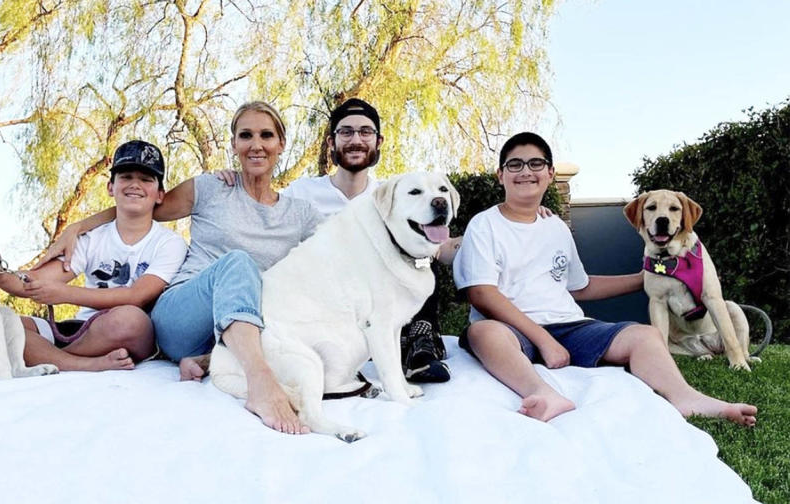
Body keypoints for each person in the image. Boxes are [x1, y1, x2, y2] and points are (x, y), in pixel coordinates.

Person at [38, 102, 322, 435]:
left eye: (266, 135)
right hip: (183, 316)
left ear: (281, 144)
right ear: (234, 145)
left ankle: (206, 361)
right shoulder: (211, 188)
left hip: (244, 325)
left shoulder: (301, 215)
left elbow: (331, 261)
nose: (256, 144)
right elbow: (140, 204)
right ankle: (260, 382)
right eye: (245, 135)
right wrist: (78, 227)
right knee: (238, 262)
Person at [453, 131, 757, 426]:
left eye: (536, 164)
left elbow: (580, 287)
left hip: (570, 326)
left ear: (549, 173)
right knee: (483, 332)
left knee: (645, 335)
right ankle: (542, 393)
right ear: (500, 175)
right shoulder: (484, 225)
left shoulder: (555, 226)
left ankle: (687, 398)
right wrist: (544, 341)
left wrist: (644, 278)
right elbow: (482, 294)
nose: (525, 172)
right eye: (514, 164)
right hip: (512, 331)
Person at [217, 98, 458, 382]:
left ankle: (419, 341)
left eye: (365, 132)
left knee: (415, 262)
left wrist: (477, 239)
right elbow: (266, 229)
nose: (356, 139)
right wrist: (235, 181)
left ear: (378, 141)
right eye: (346, 132)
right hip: (329, 300)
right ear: (331, 142)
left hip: (382, 294)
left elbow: (439, 244)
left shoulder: (395, 194)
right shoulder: (303, 192)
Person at [0, 140, 187, 372]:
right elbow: (35, 282)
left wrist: (64, 294)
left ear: (160, 195)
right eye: (126, 177)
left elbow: (137, 296)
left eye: (146, 179)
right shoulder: (91, 238)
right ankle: (83, 363)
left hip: (130, 330)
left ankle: (48, 355)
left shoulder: (169, 243)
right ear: (110, 187)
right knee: (2, 325)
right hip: (80, 328)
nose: (135, 184)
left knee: (129, 320)